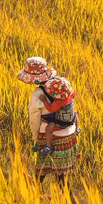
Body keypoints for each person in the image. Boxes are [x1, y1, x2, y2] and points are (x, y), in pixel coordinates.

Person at [16, 57, 80, 187]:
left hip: (50, 133)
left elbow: (34, 120)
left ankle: (35, 189)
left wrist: (36, 138)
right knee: (62, 171)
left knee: (43, 166)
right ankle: (65, 194)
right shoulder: (61, 85)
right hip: (69, 132)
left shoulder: (37, 94)